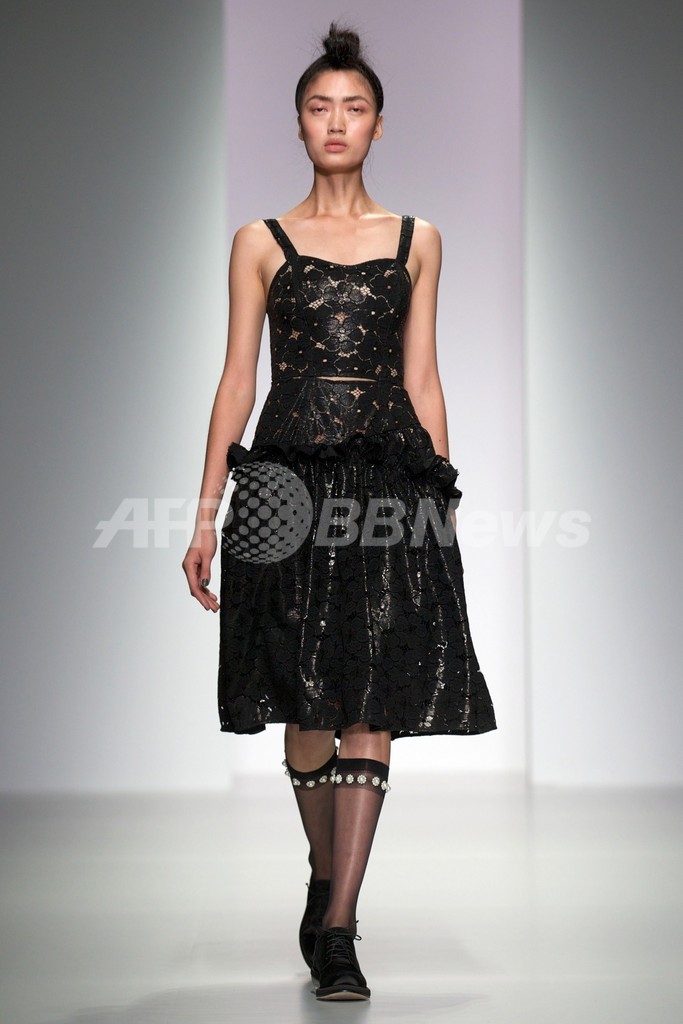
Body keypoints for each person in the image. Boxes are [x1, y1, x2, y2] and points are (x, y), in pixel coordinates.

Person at [182, 21, 497, 1002]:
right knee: (303, 702)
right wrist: (205, 512)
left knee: (370, 696)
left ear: (378, 124)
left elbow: (423, 377)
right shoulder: (258, 242)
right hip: (283, 485)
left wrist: (439, 494)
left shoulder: (417, 240)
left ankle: (339, 924)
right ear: (297, 122)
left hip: (387, 480)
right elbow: (238, 380)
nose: (335, 122)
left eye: (352, 107)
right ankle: (324, 876)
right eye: (319, 106)